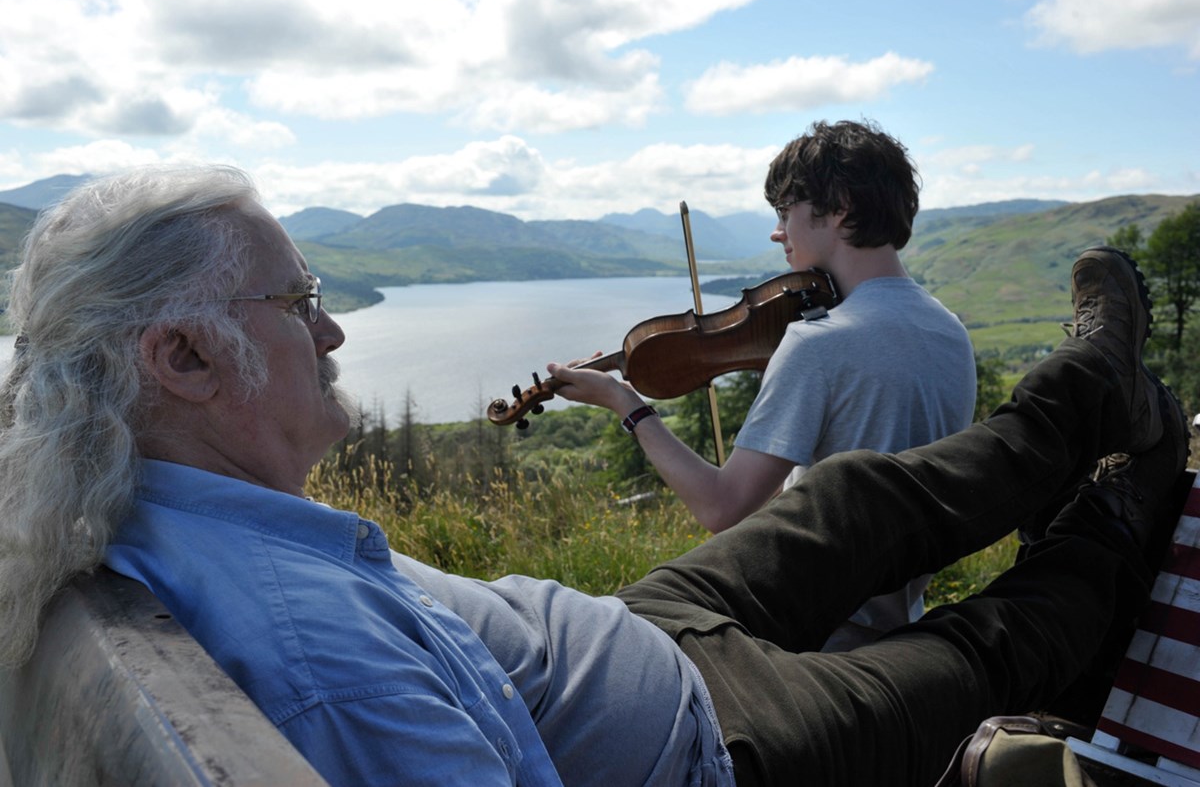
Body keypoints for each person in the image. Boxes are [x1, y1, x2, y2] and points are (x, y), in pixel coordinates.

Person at [0, 165, 1188, 787]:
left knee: (854, 496)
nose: (334, 334)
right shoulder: (316, 670)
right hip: (718, 746)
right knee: (975, 652)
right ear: (184, 355)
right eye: (300, 302)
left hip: (639, 630)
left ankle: (1093, 386)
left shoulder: (151, 500)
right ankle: (1132, 494)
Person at [548, 119, 977, 650]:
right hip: (897, 626)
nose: (778, 233)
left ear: (839, 206)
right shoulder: (950, 332)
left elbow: (722, 507)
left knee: (593, 626)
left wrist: (625, 403)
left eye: (785, 212)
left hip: (800, 631)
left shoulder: (819, 342)